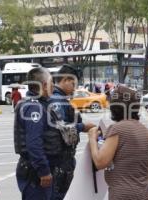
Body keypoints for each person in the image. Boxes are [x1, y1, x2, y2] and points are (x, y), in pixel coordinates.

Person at [88, 85, 148, 200]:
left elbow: (100, 162)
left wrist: (92, 139)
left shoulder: (116, 129)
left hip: (123, 194)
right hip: (147, 193)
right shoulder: (146, 131)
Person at [49, 65, 96, 200]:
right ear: (64, 80)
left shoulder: (60, 99)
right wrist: (83, 127)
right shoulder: (57, 100)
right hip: (60, 160)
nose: (75, 88)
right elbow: (62, 128)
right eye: (73, 84)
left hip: (64, 159)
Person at [14, 67, 55, 200]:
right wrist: (44, 171)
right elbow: (34, 143)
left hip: (34, 171)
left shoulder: (39, 104)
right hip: (34, 174)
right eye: (51, 82)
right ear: (44, 85)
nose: (53, 86)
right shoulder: (34, 107)